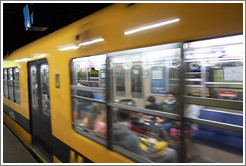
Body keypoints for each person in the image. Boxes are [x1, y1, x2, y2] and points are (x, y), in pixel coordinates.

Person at [113, 108, 177, 163]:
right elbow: (145, 160)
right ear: (131, 115)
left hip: (132, 151)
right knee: (171, 152)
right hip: (143, 156)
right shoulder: (131, 138)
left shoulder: (114, 128)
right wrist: (151, 144)